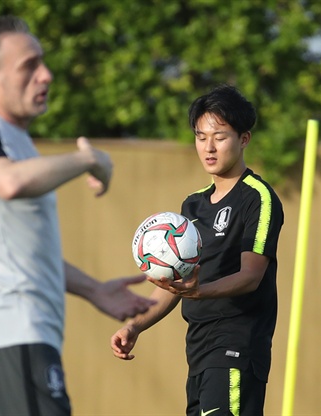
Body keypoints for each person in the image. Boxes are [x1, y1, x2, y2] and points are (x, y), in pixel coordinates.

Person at [0, 16, 156, 416]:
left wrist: (94, 289)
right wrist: (87, 159)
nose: (46, 75)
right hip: (14, 336)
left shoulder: (16, 140)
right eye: (29, 66)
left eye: (42, 63)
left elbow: (21, 254)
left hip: (9, 344)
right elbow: (8, 181)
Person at [110, 84, 284, 416]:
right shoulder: (192, 206)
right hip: (199, 351)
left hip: (237, 345)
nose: (209, 147)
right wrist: (136, 326)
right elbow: (179, 287)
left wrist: (200, 292)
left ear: (243, 138)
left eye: (219, 137)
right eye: (201, 137)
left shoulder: (257, 197)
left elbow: (251, 276)